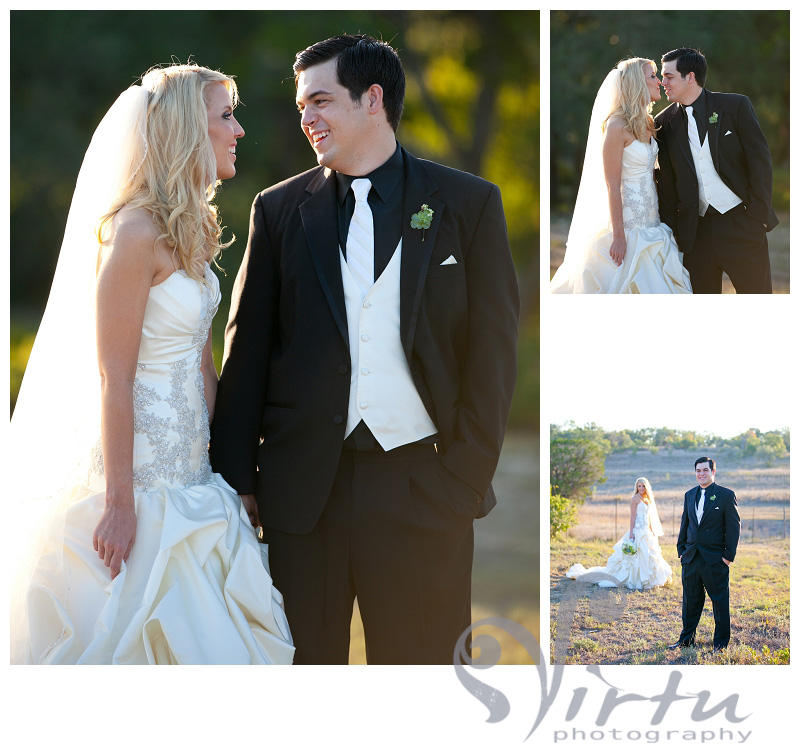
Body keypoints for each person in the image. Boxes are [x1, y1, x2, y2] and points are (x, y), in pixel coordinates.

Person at [210, 34, 519, 664]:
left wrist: (463, 479)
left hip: (425, 490)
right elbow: (246, 350)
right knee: (304, 678)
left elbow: (494, 353)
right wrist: (237, 480)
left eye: (320, 101)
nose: (306, 119)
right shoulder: (277, 211)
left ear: (372, 98)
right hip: (303, 499)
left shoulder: (469, 204)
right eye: (301, 107)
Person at [10, 64, 294, 664]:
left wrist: (225, 469)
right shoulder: (133, 232)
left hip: (193, 478)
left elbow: (199, 362)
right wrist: (118, 505)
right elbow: (114, 375)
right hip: (138, 482)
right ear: (188, 131)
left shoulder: (190, 229)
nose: (239, 130)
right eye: (226, 116)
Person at [550, 57, 692, 294]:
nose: (658, 82)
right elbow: (612, 184)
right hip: (626, 227)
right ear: (638, 83)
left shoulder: (648, 123)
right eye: (653, 76)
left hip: (653, 225)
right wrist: (618, 237)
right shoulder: (616, 126)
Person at [655, 48, 777, 294]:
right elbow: (666, 183)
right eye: (661, 76)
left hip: (742, 224)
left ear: (690, 77)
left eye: (669, 76)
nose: (662, 82)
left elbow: (760, 162)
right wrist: (676, 232)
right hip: (695, 234)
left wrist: (757, 217)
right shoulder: (663, 123)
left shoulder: (735, 106)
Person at [670, 457, 740, 651]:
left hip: (715, 559)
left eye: (705, 470)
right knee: (690, 601)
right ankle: (685, 640)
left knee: (719, 602)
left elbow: (734, 528)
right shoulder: (689, 494)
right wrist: (681, 551)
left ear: (713, 472)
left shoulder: (726, 495)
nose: (701, 474)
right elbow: (686, 523)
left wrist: (727, 557)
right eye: (698, 471)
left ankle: (720, 644)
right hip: (691, 557)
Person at [566, 477, 672, 589]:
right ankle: (635, 579)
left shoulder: (648, 499)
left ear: (647, 487)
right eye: (639, 486)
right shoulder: (635, 498)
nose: (641, 488)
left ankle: (649, 579)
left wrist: (652, 531)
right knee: (633, 558)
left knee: (649, 555)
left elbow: (648, 517)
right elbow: (632, 517)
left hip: (647, 532)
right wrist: (632, 533)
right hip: (638, 531)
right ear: (637, 487)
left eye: (643, 486)